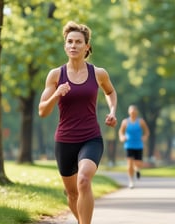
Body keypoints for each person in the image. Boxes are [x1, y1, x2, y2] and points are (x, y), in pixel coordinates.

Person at [38, 21, 117, 224]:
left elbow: (110, 92)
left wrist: (112, 110)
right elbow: (42, 111)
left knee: (83, 180)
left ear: (87, 46)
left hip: (91, 137)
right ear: (65, 46)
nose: (73, 45)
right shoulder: (55, 75)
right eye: (69, 42)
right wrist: (57, 93)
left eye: (78, 42)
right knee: (72, 194)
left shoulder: (98, 73)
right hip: (64, 140)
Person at [118, 105, 149, 189]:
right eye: (131, 111)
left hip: (138, 145)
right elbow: (121, 131)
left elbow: (146, 131)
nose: (133, 113)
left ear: (136, 112)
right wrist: (122, 137)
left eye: (134, 111)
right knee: (129, 164)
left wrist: (145, 136)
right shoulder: (125, 122)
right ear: (129, 112)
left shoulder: (141, 121)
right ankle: (131, 181)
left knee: (138, 164)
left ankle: (137, 170)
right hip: (129, 145)